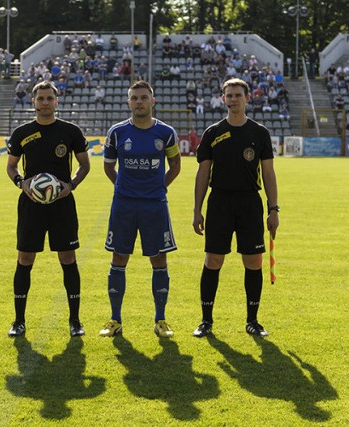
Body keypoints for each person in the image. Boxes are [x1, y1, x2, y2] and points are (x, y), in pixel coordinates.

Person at [192, 78, 279, 338]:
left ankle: (252, 321)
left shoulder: (259, 133)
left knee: (253, 262)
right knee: (213, 260)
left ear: (247, 98)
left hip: (250, 202)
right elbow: (202, 174)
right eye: (228, 95)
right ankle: (206, 321)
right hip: (219, 202)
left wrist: (273, 209)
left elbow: (269, 173)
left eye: (238, 95)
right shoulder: (213, 133)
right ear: (222, 99)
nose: (233, 99)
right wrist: (197, 210)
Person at [6, 81, 90, 337]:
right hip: (31, 204)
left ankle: (75, 321)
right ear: (33, 102)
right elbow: (11, 167)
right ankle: (18, 321)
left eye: (49, 98)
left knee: (68, 258)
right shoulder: (22, 132)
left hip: (62, 204)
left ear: (57, 100)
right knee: (25, 259)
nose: (44, 102)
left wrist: (70, 185)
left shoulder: (70, 131)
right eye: (40, 98)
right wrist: (22, 183)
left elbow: (84, 165)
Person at [99, 81, 181, 339]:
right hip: (124, 205)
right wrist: (126, 188)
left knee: (159, 259)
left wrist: (158, 188)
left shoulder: (166, 133)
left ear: (152, 101)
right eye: (134, 98)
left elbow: (176, 166)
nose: (139, 102)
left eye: (143, 97)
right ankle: (115, 320)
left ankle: (160, 320)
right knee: (119, 258)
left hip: (155, 205)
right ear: (128, 102)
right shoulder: (117, 132)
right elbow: (108, 167)